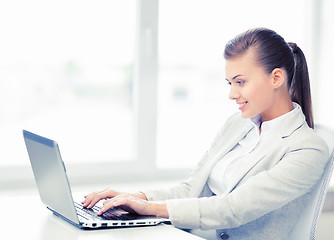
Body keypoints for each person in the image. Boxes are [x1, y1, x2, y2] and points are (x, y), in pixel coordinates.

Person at [82, 28, 329, 240]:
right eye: (229, 83)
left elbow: (234, 208)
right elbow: (192, 189)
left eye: (240, 82)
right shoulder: (237, 124)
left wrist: (151, 208)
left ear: (276, 77)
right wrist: (134, 197)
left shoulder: (307, 148)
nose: (231, 94)